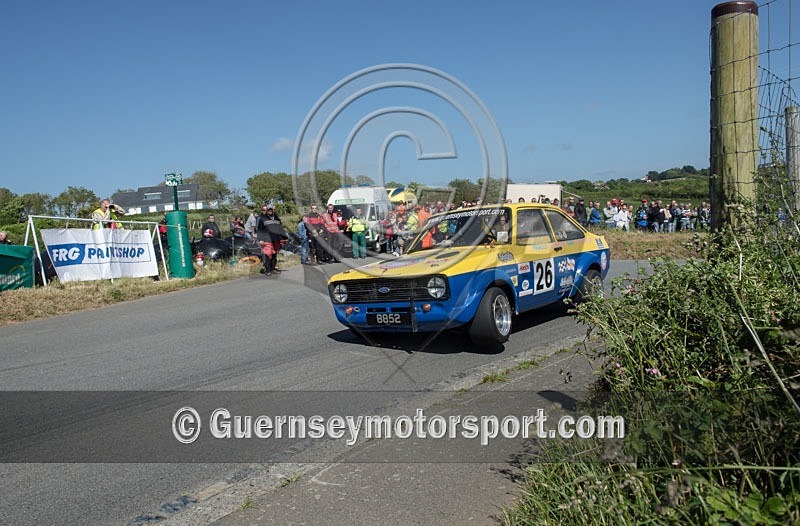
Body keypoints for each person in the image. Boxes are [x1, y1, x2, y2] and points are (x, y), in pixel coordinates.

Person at [255, 204, 287, 275]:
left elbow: (280, 229)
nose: (270, 211)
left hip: (276, 239)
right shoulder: (262, 218)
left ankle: (273, 269)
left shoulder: (277, 219)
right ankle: (267, 270)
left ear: (273, 210)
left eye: (271, 209)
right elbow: (259, 230)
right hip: (266, 239)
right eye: (268, 210)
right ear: (267, 210)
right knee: (268, 254)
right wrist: (260, 239)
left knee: (274, 254)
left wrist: (284, 238)